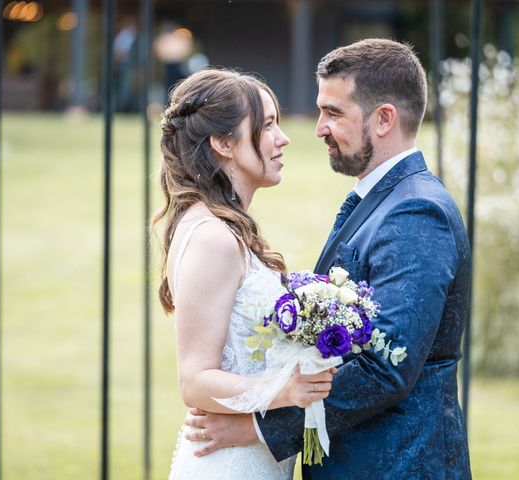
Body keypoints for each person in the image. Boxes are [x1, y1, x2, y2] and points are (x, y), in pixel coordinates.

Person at [185, 38, 472, 479]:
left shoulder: (416, 212)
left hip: (397, 465)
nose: (318, 127)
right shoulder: (378, 200)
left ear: (384, 120)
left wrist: (258, 428)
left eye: (333, 113)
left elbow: (386, 367)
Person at [152, 68, 336, 480]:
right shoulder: (213, 238)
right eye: (267, 124)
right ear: (223, 143)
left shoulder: (224, 229)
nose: (283, 138)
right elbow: (195, 381)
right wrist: (286, 390)